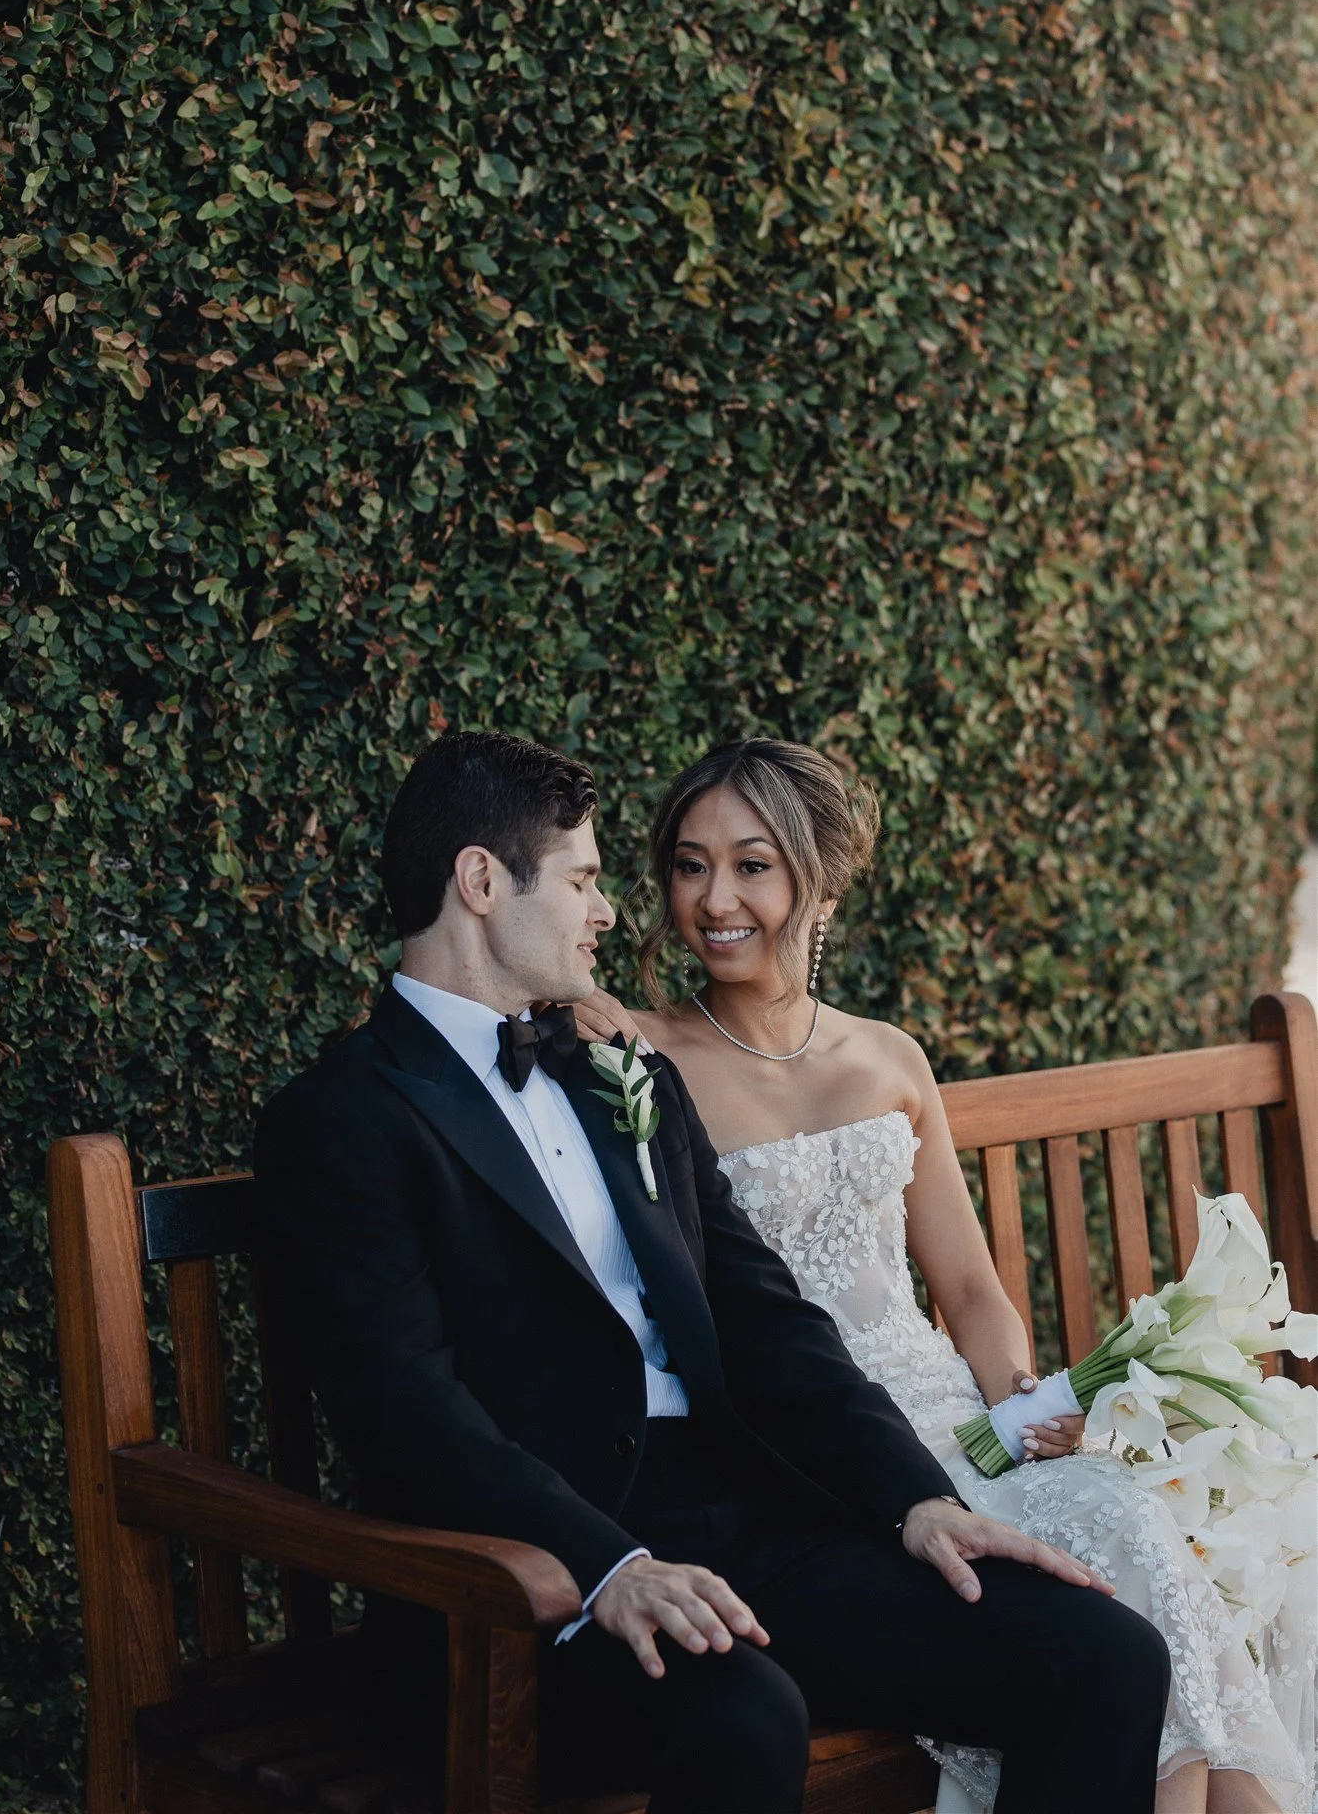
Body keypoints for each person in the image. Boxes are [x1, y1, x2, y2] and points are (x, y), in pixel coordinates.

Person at [256, 729, 1171, 1814]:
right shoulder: (342, 1120)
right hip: (517, 1586)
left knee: (1103, 1656)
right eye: (583, 880)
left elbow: (760, 1314)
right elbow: (408, 1415)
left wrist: (915, 1499)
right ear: (481, 882)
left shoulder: (615, 1070)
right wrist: (608, 1567)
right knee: (745, 1715)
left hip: (746, 1525)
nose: (608, 911)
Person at [575, 736, 1312, 1814]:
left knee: (1127, 1524)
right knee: (1124, 1561)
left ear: (822, 885)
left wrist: (1022, 1400)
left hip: (956, 1420)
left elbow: (968, 1291)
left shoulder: (888, 1057)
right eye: (690, 866)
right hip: (818, 1446)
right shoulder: (634, 1058)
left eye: (751, 865)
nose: (715, 899)